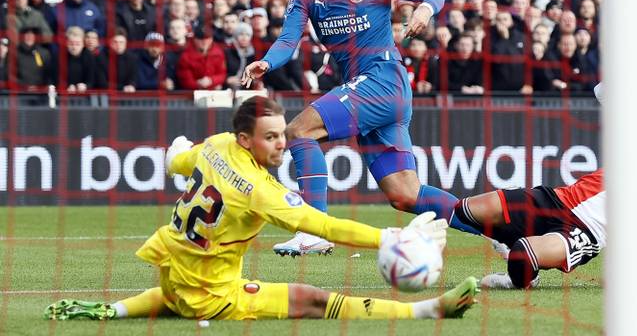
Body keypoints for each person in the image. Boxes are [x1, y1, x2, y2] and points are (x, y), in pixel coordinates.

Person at [44, 96, 478, 321]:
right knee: (310, 300)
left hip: (173, 277)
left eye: (280, 134)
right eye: (270, 137)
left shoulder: (213, 146)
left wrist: (176, 151)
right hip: (210, 300)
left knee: (190, 290)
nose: (281, 143)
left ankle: (115, 310)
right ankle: (426, 310)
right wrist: (391, 236)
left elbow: (176, 161)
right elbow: (321, 225)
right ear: (245, 140)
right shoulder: (259, 189)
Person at [241, 0, 480, 256]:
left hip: (384, 80)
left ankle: (314, 229)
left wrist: (424, 12)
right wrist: (266, 62)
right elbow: (288, 39)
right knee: (405, 194)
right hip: (368, 90)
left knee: (298, 131)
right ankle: (499, 231)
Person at [451, 83, 637, 289]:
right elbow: (602, 91)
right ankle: (504, 237)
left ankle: (521, 278)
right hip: (558, 198)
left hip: (588, 230)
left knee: (523, 254)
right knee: (467, 209)